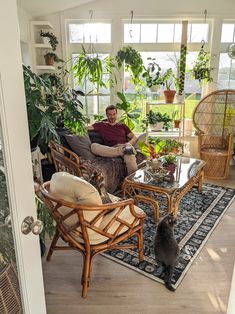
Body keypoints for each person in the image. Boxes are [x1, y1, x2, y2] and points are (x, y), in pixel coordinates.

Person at [87, 105, 139, 174]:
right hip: (110, 149)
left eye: (114, 114)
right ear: (106, 115)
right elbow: (85, 128)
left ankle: (134, 182)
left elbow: (134, 137)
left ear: (116, 114)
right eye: (110, 114)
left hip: (124, 146)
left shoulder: (122, 126)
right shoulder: (101, 125)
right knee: (93, 146)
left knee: (130, 156)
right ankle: (123, 150)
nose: (112, 116)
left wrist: (129, 143)